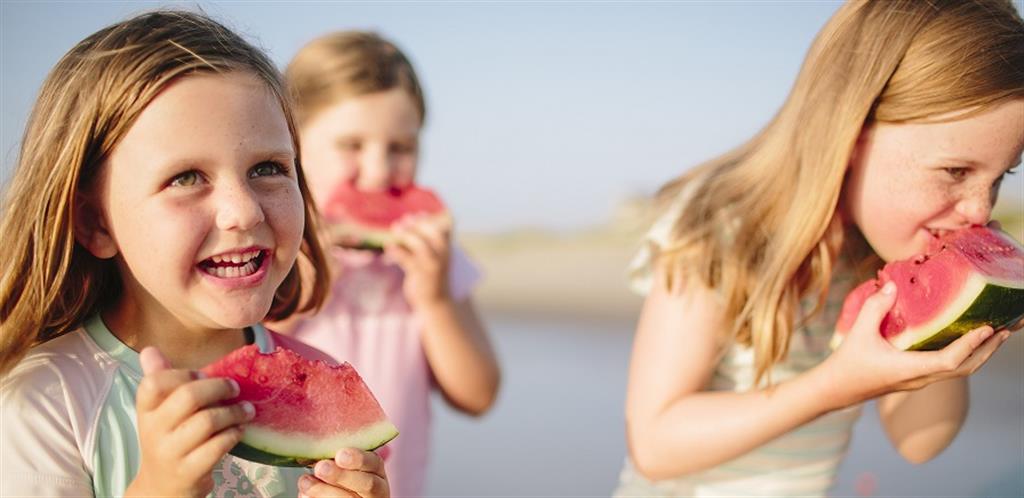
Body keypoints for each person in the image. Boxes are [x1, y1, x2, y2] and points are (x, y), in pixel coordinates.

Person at [615, 0, 1024, 496]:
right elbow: (655, 445)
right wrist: (831, 388)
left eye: (1001, 175)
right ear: (853, 136)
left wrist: (957, 329)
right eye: (956, 172)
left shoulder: (881, 254)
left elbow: (921, 444)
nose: (980, 211)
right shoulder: (720, 228)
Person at [0, 10, 390, 497]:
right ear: (95, 223)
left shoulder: (316, 378)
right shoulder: (45, 401)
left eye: (268, 168)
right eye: (186, 178)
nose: (243, 212)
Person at [280, 31, 501, 497]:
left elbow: (479, 395)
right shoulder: (275, 250)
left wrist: (435, 299)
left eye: (400, 147)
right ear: (292, 141)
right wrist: (305, 286)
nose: (380, 171)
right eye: (352, 145)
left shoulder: (434, 259)